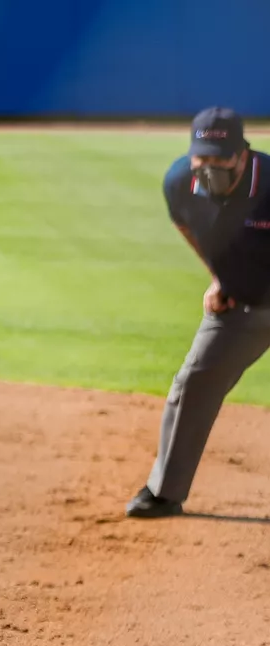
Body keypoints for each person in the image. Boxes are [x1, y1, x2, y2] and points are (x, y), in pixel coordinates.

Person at [129, 107, 270, 519]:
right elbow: (187, 226)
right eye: (202, 157)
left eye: (220, 158)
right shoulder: (179, 183)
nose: (209, 167)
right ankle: (164, 491)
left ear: (243, 154)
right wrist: (218, 278)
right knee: (193, 384)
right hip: (240, 303)